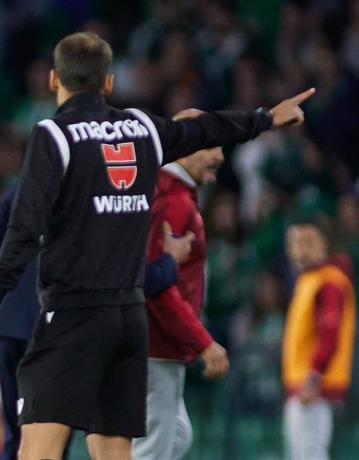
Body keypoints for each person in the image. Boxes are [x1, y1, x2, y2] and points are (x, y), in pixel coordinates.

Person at [0, 31, 314, 460]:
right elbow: (206, 128)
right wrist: (266, 117)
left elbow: (23, 228)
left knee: (36, 449)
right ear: (108, 82)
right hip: (129, 321)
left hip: (73, 314)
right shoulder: (141, 127)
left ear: (55, 80)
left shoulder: (54, 135)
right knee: (114, 451)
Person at [0, 183, 194, 460]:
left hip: (13, 327)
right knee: (53, 443)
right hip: (61, 329)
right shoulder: (106, 196)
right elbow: (128, 277)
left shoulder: (29, 186)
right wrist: (169, 264)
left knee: (19, 441)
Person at [132, 109, 230, 460]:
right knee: (151, 450)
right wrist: (204, 343)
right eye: (209, 145)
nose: (220, 156)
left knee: (178, 435)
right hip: (156, 346)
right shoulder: (173, 202)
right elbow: (157, 286)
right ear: (183, 146)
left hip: (153, 344)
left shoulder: (167, 191)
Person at [283, 220, 356, 460]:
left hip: (314, 386)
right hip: (304, 383)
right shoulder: (309, 279)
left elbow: (329, 334)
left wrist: (314, 375)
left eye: (308, 242)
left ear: (324, 244)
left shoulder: (330, 281)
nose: (300, 249)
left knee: (310, 453)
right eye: (296, 242)